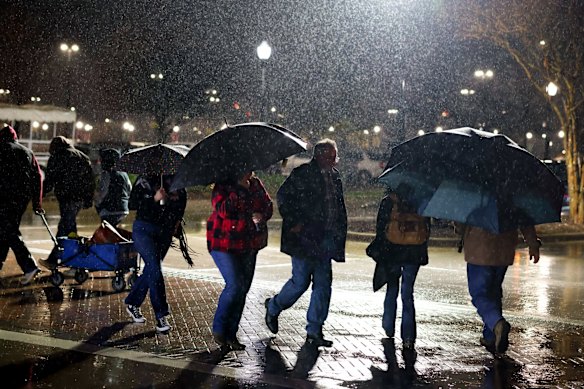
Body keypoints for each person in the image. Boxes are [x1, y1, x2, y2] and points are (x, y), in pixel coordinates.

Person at [264, 139, 347, 347]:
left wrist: (338, 233)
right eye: (329, 156)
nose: (333, 160)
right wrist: (294, 222)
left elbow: (338, 208)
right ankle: (274, 307)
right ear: (318, 156)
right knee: (300, 282)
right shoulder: (303, 174)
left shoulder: (335, 178)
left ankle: (314, 330)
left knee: (323, 285)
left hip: (325, 238)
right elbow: (283, 196)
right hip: (304, 237)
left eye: (334, 156)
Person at [207, 171, 273, 350]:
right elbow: (222, 210)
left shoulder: (256, 184)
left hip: (249, 243)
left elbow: (268, 205)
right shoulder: (223, 185)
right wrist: (239, 190)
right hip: (224, 243)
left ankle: (231, 334)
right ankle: (219, 329)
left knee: (243, 289)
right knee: (235, 285)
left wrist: (262, 214)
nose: (250, 171)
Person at [459, 223, 540, 354]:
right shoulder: (511, 202)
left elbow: (461, 220)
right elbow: (524, 218)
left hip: (479, 249)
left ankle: (496, 323)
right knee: (494, 291)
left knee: (479, 294)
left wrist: (460, 228)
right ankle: (491, 336)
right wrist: (532, 242)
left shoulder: (477, 202)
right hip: (504, 248)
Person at [365, 187, 430, 350]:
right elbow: (427, 230)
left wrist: (381, 251)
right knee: (407, 293)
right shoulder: (422, 201)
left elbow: (380, 229)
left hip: (393, 251)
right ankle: (408, 337)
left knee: (392, 288)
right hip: (413, 253)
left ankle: (388, 326)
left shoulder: (389, 202)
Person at [124, 174, 187, 333]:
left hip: (164, 232)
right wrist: (154, 198)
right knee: (155, 268)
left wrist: (172, 208)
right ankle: (161, 315)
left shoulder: (178, 182)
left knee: (152, 270)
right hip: (144, 229)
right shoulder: (144, 181)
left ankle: (133, 302)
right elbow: (132, 204)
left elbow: (180, 207)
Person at [39, 136, 94, 269]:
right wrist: (88, 198)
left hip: (67, 197)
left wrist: (41, 194)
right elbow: (90, 179)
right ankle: (73, 257)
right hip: (78, 198)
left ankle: (58, 259)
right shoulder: (82, 156)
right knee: (69, 227)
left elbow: (51, 178)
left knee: (65, 227)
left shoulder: (58, 156)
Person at [0, 125, 44, 285]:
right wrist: (37, 202)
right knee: (6, 230)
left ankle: (29, 266)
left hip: (3, 197)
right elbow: (37, 178)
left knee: (9, 231)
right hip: (20, 199)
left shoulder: (1, 149)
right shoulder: (27, 152)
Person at [94, 148, 132, 227]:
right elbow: (129, 189)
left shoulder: (106, 174)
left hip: (109, 210)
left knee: (106, 234)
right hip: (123, 209)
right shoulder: (124, 173)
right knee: (114, 231)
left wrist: (97, 204)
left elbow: (102, 192)